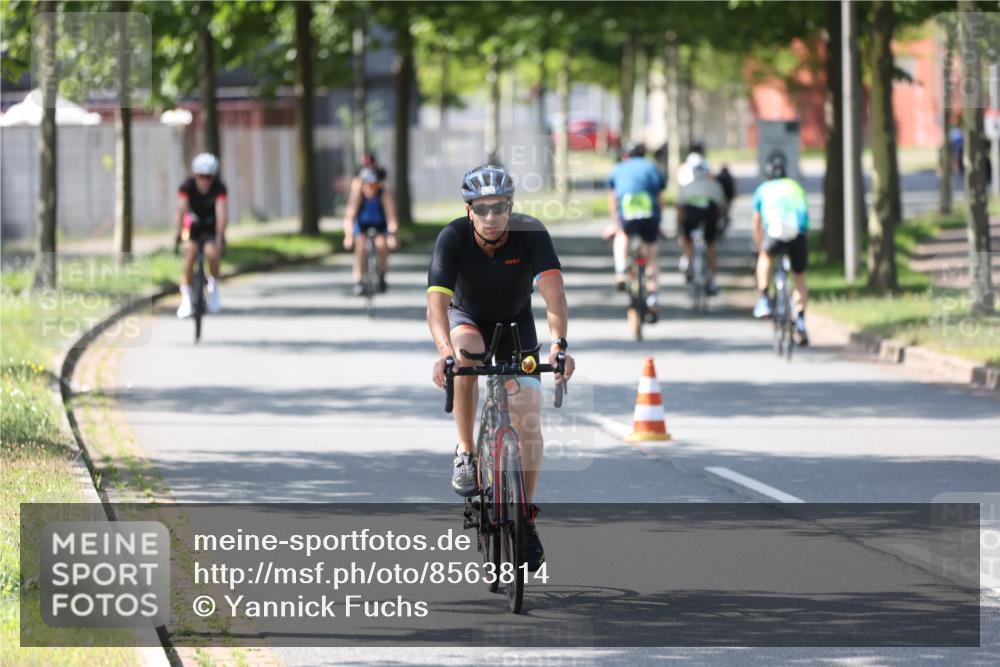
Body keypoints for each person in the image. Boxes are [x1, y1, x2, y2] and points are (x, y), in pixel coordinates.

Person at [427, 164, 576, 571]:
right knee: (467, 356)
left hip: (515, 325)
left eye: (500, 207)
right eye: (482, 208)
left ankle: (524, 520)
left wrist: (560, 345)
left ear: (511, 207)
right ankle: (466, 450)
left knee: (529, 421)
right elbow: (437, 305)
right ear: (468, 209)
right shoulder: (453, 237)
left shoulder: (531, 233)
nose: (491, 216)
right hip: (467, 320)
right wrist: (443, 350)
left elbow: (554, 296)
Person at [751, 152, 811, 345]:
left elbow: (757, 221)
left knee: (765, 257)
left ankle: (763, 299)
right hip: (797, 231)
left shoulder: (763, 189)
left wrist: (758, 243)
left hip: (775, 231)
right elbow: (805, 217)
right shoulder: (795, 186)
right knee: (799, 277)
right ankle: (801, 321)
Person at [603, 142, 667, 321]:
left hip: (627, 212)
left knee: (622, 235)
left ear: (626, 155)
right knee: (651, 257)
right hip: (649, 213)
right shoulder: (652, 167)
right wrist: (658, 222)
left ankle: (621, 270)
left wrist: (615, 223)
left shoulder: (619, 168)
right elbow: (659, 198)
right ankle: (653, 297)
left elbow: (613, 199)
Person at [174, 153, 227, 318]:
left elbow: (222, 213)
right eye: (201, 176)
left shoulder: (219, 188)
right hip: (193, 226)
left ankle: (214, 288)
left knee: (212, 253)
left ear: (214, 176)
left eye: (208, 177)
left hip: (211, 226)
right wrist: (178, 233)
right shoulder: (186, 187)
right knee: (190, 252)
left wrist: (220, 236)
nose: (205, 180)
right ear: (195, 175)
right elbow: (181, 210)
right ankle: (186, 298)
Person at [342, 163, 399, 295]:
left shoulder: (384, 194)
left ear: (378, 184)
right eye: (367, 184)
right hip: (362, 225)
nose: (370, 188)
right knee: (361, 247)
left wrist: (392, 235)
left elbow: (391, 218)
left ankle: (382, 275)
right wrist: (348, 236)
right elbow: (349, 217)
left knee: (381, 245)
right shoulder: (358, 195)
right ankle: (359, 281)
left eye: (373, 185)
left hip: (380, 225)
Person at [676, 152, 727, 296]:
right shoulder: (715, 185)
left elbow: (679, 209)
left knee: (687, 239)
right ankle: (711, 280)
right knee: (710, 245)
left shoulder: (686, 186)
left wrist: (679, 228)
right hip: (709, 216)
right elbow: (722, 207)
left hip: (691, 216)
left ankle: (688, 260)